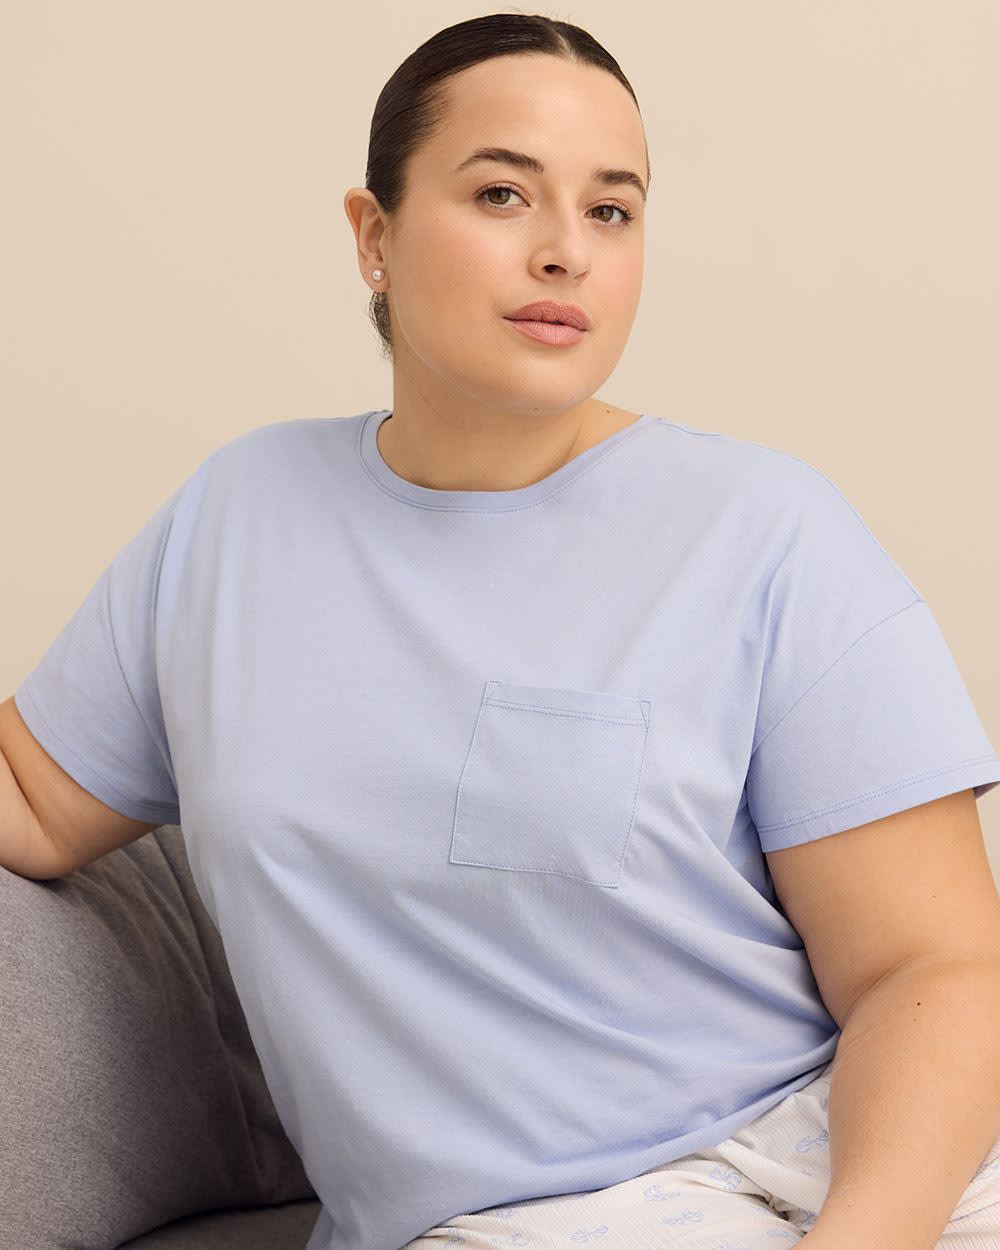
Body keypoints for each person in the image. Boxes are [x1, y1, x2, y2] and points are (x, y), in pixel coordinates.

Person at [7, 12, 1000, 1250]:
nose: (564, 252)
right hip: (528, 1220)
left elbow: (933, 967)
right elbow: (33, 796)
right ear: (373, 236)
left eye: (611, 211)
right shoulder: (235, 516)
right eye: (501, 194)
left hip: (866, 1168)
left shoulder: (770, 533)